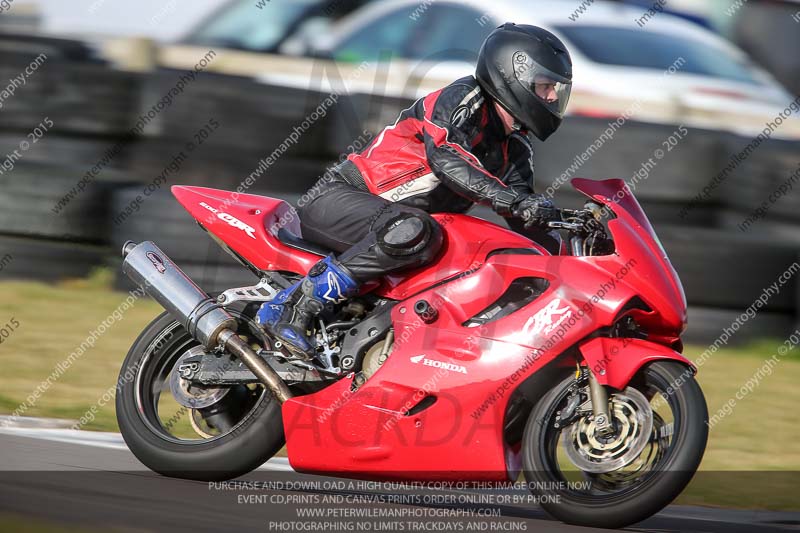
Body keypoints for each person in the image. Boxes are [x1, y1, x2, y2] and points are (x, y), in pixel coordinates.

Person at [257, 23, 573, 358]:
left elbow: (525, 217)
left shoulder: (516, 146)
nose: (552, 97)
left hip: (395, 231)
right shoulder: (463, 98)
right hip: (339, 200)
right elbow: (447, 158)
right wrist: (512, 199)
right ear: (513, 75)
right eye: (544, 85)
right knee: (418, 230)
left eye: (555, 89)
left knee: (455, 251)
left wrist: (575, 254)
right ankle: (293, 306)